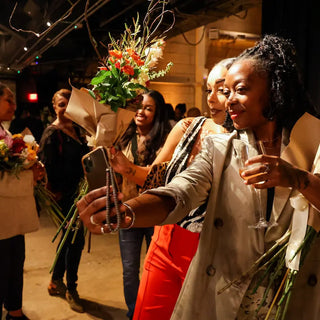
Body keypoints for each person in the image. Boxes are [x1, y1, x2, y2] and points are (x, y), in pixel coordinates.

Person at [78, 35, 320, 319]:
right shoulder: (221, 148)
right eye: (224, 91)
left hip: (289, 298)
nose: (228, 100)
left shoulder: (313, 141)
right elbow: (179, 192)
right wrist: (125, 212)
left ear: (275, 89)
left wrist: (297, 178)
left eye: (239, 89)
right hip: (225, 295)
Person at [109, 58, 235, 320]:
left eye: (221, 91)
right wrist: (125, 168)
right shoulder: (189, 127)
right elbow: (156, 179)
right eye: (208, 89)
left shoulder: (249, 141)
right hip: (166, 240)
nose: (211, 98)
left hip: (214, 251)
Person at [116, 89, 171, 320]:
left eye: (148, 108)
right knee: (129, 270)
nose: (141, 112)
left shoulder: (166, 140)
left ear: (156, 113)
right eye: (139, 107)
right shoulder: (123, 137)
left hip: (155, 213)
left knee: (156, 270)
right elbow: (116, 174)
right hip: (127, 213)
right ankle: (133, 313)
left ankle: (151, 313)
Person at [38, 89, 89, 313]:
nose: (65, 109)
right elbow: (46, 169)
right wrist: (54, 194)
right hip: (64, 197)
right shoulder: (52, 134)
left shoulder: (78, 130)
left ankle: (56, 281)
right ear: (54, 107)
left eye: (69, 104)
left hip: (81, 192)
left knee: (68, 241)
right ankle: (71, 289)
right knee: (74, 242)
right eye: (60, 105)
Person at [0, 83, 44, 320]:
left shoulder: (5, 134)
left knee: (16, 266)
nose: (14, 106)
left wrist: (34, 166)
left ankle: (15, 311)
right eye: (8, 100)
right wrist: (30, 175)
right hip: (2, 221)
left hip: (13, 219)